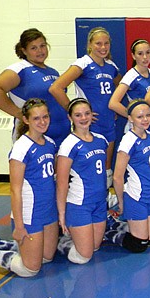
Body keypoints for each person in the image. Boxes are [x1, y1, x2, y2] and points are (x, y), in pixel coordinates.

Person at [0, 99, 57, 277]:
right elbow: (15, 190)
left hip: (49, 211)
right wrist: (19, 225)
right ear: (26, 120)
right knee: (30, 269)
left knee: (47, 257)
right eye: (36, 118)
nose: (42, 122)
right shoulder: (21, 148)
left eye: (45, 117)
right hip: (30, 213)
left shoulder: (50, 144)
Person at [49, 27, 121, 175]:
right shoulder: (82, 63)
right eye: (98, 43)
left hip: (108, 123)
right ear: (90, 45)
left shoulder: (111, 66)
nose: (103, 47)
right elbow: (56, 88)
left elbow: (121, 87)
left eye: (106, 43)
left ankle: (105, 196)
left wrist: (115, 108)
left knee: (106, 168)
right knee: (90, 167)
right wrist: (74, 111)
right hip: (90, 125)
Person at [0, 28, 69, 147]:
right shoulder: (20, 69)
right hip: (34, 138)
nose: (40, 51)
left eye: (42, 46)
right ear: (24, 51)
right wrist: (20, 114)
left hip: (61, 136)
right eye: (33, 48)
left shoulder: (53, 72)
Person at [55, 98, 109, 264]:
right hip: (79, 204)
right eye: (78, 115)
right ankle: (58, 244)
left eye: (87, 113)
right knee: (84, 257)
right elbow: (62, 182)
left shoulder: (101, 140)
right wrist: (62, 214)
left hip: (99, 203)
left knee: (94, 248)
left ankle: (76, 240)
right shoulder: (69, 145)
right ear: (70, 118)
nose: (84, 118)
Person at [111, 99, 150, 253]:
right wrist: (121, 202)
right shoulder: (128, 140)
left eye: (148, 115)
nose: (145, 119)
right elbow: (118, 176)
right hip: (136, 196)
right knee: (140, 245)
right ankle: (112, 231)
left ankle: (127, 225)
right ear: (130, 118)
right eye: (139, 117)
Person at [109, 39, 150, 136]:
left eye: (148, 53)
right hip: (136, 129)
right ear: (133, 56)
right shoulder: (131, 76)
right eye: (140, 54)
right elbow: (113, 103)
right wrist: (132, 116)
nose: (145, 57)